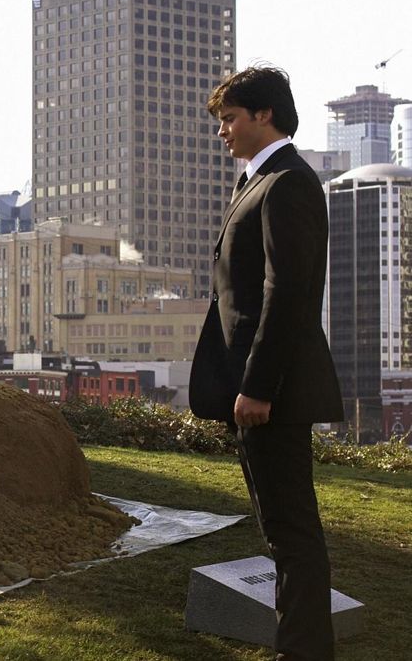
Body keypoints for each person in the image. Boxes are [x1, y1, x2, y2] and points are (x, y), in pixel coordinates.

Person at [190, 66, 344, 660]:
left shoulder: (287, 183)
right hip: (255, 389)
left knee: (292, 533)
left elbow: (288, 295)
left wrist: (257, 387)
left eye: (229, 118)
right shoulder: (258, 182)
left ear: (265, 115)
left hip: (271, 393)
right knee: (282, 532)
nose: (222, 131)